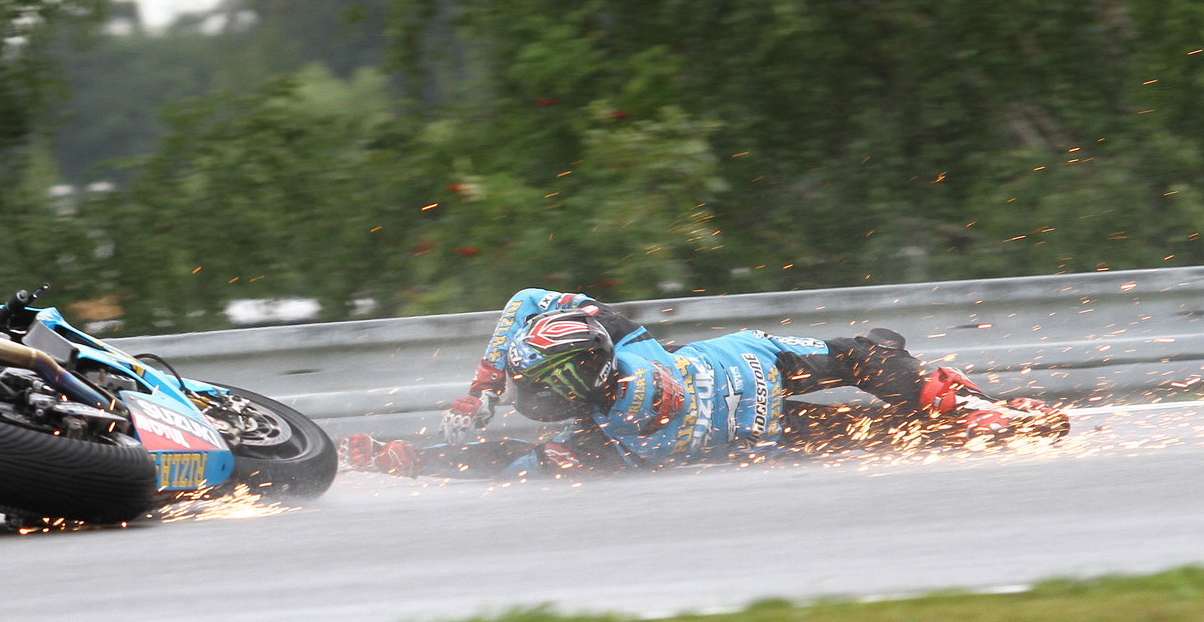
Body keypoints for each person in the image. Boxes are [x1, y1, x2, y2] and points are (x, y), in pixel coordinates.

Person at [344, 287, 1071, 479]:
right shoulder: (623, 334)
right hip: (749, 363)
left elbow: (506, 461)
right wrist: (491, 377)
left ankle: (967, 414)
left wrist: (427, 449)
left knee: (881, 429)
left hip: (761, 431)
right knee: (863, 356)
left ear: (562, 390)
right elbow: (532, 300)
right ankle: (972, 405)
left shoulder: (597, 444)